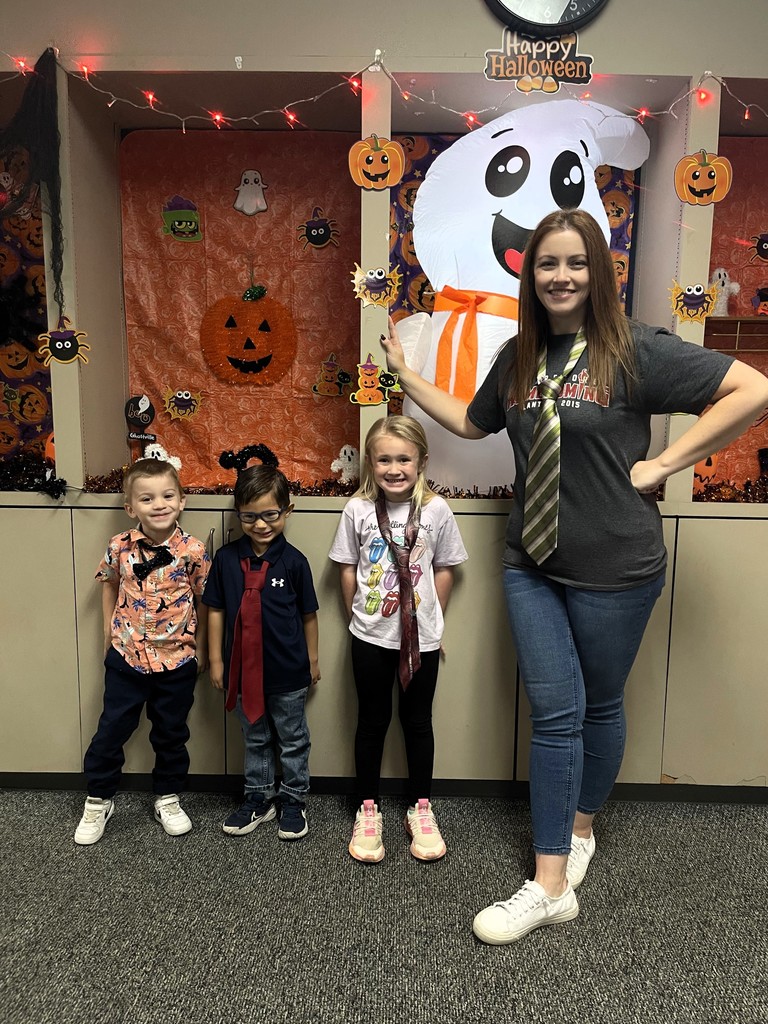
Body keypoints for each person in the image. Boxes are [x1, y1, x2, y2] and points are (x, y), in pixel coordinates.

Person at [382, 208, 768, 941]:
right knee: (557, 713)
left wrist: (662, 463)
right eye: (547, 264)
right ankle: (550, 883)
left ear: (599, 273)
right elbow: (471, 424)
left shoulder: (635, 351)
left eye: (576, 263)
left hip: (618, 568)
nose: (560, 276)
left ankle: (581, 826)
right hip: (533, 563)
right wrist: (406, 376)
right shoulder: (519, 356)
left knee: (600, 707)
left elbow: (752, 389)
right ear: (530, 275)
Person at [329, 415, 468, 863]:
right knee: (371, 722)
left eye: (404, 459)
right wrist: (358, 614)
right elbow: (346, 567)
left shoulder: (437, 510)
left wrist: (432, 621)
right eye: (384, 458)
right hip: (370, 636)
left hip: (421, 640)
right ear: (370, 462)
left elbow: (445, 568)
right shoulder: (358, 510)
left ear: (421, 461)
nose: (394, 468)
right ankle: (367, 809)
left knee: (418, 722)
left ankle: (420, 807)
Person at [75, 458, 210, 845]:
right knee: (111, 730)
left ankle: (167, 796)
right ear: (131, 507)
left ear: (182, 501)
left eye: (168, 495)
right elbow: (108, 584)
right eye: (147, 498)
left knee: (171, 733)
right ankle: (99, 798)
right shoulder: (120, 546)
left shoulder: (193, 550)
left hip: (176, 661)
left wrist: (199, 648)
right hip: (127, 658)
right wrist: (107, 632)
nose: (159, 504)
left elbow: (204, 599)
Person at [203, 465, 320, 841]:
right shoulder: (224, 560)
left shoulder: (295, 562)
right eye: (249, 516)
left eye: (270, 515)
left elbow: (308, 615)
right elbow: (216, 610)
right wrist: (217, 661)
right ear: (238, 514)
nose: (260, 524)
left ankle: (293, 799)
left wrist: (313, 660)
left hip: (287, 670)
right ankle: (258, 797)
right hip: (241, 670)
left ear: (288, 511)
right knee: (254, 737)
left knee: (293, 737)